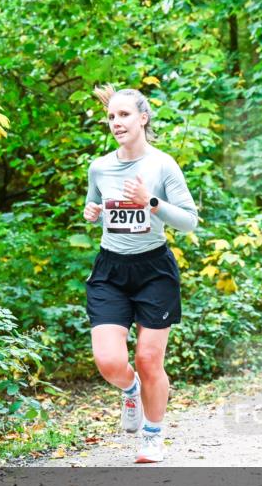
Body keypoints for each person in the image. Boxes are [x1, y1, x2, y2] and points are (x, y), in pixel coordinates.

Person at [84, 84, 199, 464]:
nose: (116, 122)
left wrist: (150, 202)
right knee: (109, 362)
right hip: (111, 269)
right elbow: (93, 203)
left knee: (150, 360)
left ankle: (153, 435)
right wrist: (92, 212)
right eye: (112, 116)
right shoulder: (99, 167)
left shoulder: (162, 164)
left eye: (124, 115)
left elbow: (189, 221)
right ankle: (130, 390)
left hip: (154, 270)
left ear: (143, 119)